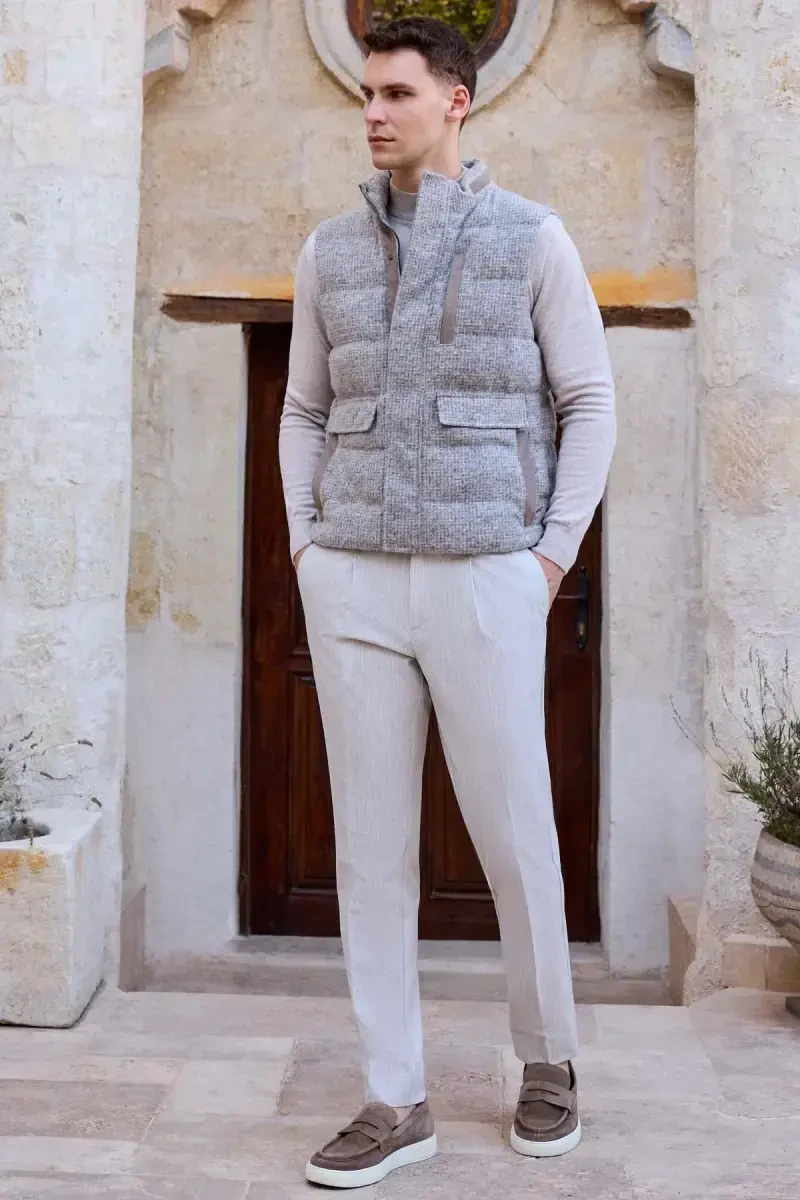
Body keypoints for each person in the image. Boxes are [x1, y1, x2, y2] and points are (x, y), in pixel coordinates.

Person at [278, 14, 616, 1190]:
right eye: (365, 94)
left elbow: (588, 400)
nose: (372, 113)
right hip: (353, 576)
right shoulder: (325, 250)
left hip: (486, 573)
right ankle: (393, 1097)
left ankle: (547, 1058)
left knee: (515, 833)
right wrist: (304, 546)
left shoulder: (533, 239)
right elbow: (302, 409)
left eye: (395, 94)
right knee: (369, 852)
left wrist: (546, 559)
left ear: (454, 101)